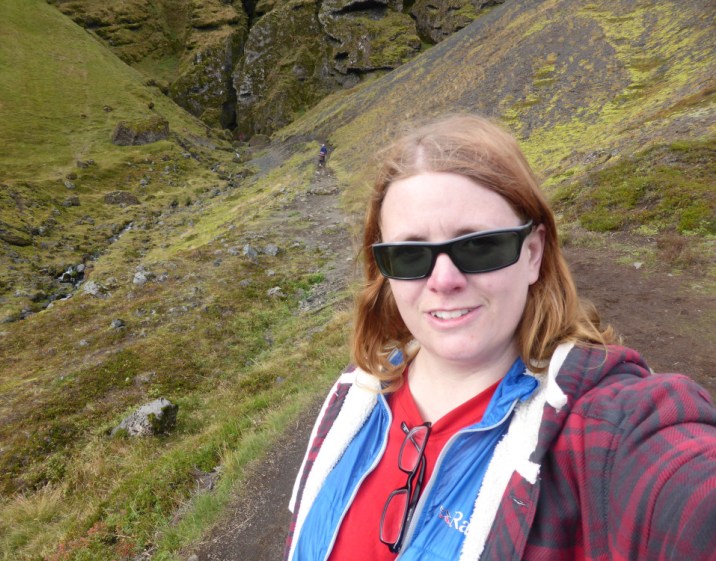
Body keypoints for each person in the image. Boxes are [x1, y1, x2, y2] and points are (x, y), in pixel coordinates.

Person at [284, 114, 716, 561]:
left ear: (532, 253)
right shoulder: (354, 395)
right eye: (410, 255)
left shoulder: (605, 426)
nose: (444, 280)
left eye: (479, 246)